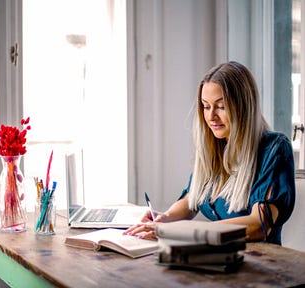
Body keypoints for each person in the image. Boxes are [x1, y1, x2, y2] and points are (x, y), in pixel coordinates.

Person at [124, 61, 295, 245]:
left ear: (244, 107)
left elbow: (258, 225)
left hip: (260, 263)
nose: (211, 117)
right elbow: (192, 198)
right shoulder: (215, 147)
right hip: (214, 257)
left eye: (221, 107)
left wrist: (181, 232)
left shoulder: (274, 149)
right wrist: (165, 219)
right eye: (206, 106)